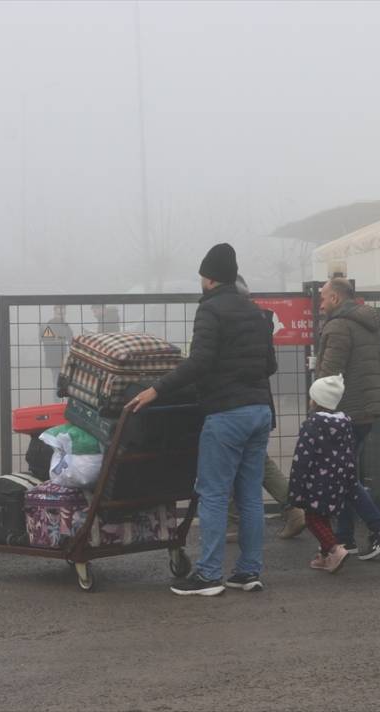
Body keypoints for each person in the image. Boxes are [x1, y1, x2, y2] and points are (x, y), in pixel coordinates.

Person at [128, 243, 276, 596]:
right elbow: (269, 365)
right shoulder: (256, 312)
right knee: (250, 497)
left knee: (212, 493)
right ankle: (248, 572)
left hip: (227, 413)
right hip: (259, 411)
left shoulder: (211, 310)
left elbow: (199, 362)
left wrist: (156, 389)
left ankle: (209, 575)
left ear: (209, 279)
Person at [316, 278, 380, 559]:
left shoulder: (339, 326)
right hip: (365, 409)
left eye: (324, 297)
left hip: (344, 412)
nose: (321, 303)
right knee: (347, 472)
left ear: (337, 299)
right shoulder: (367, 324)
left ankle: (379, 528)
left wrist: (316, 410)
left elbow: (329, 374)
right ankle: (345, 537)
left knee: (343, 477)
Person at [228, 274, 305, 540]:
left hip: (232, 404)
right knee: (255, 459)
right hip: (260, 402)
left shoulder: (225, 320)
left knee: (228, 460)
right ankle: (293, 507)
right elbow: (271, 365)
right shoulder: (262, 320)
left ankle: (234, 523)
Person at [288, 375, 361, 573]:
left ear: (316, 401)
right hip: (337, 482)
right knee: (324, 518)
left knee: (313, 519)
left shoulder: (312, 424)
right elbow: (350, 455)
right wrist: (351, 481)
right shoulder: (345, 423)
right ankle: (323, 557)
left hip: (315, 483)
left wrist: (295, 489)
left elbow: (302, 458)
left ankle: (334, 550)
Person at [41, 305, 74, 393]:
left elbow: (71, 340)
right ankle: (57, 403)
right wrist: (60, 338)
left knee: (65, 382)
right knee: (57, 383)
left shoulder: (65, 325)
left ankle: (61, 402)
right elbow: (46, 341)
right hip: (54, 359)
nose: (61, 312)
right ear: (55, 311)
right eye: (59, 310)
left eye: (63, 310)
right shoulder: (49, 324)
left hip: (63, 358)